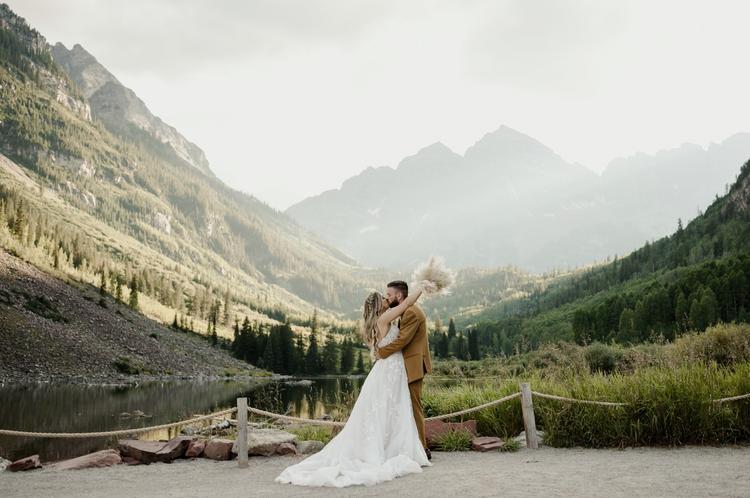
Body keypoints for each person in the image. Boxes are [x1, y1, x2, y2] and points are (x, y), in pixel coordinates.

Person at [275, 283, 430, 488]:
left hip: (384, 371)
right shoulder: (384, 319)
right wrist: (423, 285)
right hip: (392, 370)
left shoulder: (372, 325)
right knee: (393, 409)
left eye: (388, 297)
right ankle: (393, 449)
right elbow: (408, 302)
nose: (387, 300)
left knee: (384, 411)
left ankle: (385, 447)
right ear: (378, 306)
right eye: (384, 299)